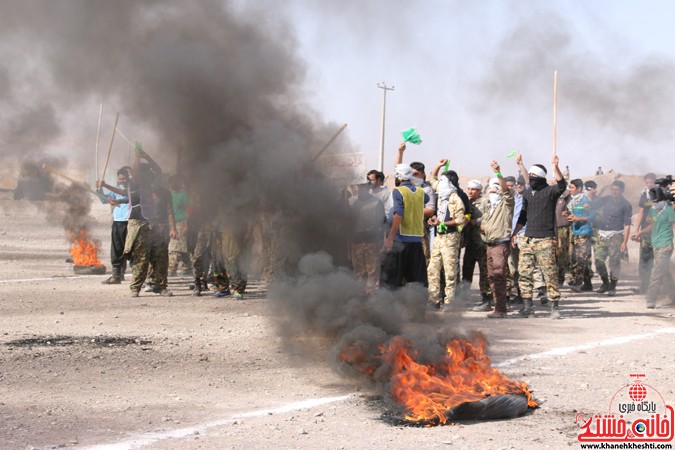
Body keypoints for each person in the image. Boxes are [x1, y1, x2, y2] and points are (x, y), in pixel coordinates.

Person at [511, 155, 567, 319]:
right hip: (527, 239)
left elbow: (561, 185)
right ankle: (527, 306)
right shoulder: (528, 194)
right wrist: (515, 233)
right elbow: (523, 216)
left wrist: (556, 167)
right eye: (531, 176)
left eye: (535, 176)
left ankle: (554, 306)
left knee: (549, 273)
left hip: (545, 239)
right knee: (524, 273)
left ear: (542, 178)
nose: (532, 179)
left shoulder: (550, 192)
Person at [381, 163, 429, 290]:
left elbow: (398, 215)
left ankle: (390, 308)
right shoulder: (420, 192)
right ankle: (416, 307)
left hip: (400, 241)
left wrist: (390, 238)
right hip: (416, 241)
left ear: (398, 176)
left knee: (392, 280)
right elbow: (427, 199)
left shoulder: (398, 191)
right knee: (417, 281)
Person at [426, 160, 466, 309]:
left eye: (443, 180)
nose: (440, 182)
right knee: (433, 269)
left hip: (450, 238)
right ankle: (434, 299)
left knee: (450, 271)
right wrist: (439, 165)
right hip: (438, 238)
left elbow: (460, 220)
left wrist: (442, 224)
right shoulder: (442, 195)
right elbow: (432, 178)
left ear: (450, 183)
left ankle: (449, 301)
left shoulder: (456, 199)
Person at [479, 162, 514, 318]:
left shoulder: (506, 205)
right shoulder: (489, 207)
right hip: (490, 245)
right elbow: (484, 224)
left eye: (495, 189)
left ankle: (501, 309)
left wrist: (499, 174)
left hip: (500, 245)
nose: (492, 192)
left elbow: (506, 192)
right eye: (491, 190)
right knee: (492, 277)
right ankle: (498, 306)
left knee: (499, 276)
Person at [395, 143, 437, 263]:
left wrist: (408, 211)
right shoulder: (403, 188)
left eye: (416, 174)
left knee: (421, 262)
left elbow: (430, 210)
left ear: (423, 175)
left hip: (419, 232)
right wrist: (400, 152)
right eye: (411, 174)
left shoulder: (427, 189)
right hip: (403, 230)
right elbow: (398, 169)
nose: (413, 177)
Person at [633, 191, 675, 308]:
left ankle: (650, 299)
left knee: (657, 272)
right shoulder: (653, 210)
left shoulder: (669, 211)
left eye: (655, 200)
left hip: (665, 245)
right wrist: (640, 233)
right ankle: (673, 295)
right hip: (656, 245)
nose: (653, 203)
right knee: (664, 271)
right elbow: (652, 224)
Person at [591, 180, 632, 296]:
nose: (614, 192)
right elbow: (593, 205)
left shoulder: (626, 205)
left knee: (614, 263)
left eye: (617, 190)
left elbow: (627, 224)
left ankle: (613, 287)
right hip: (602, 234)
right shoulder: (606, 199)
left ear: (621, 191)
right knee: (598, 261)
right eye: (612, 189)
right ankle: (605, 283)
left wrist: (624, 242)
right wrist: (594, 195)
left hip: (616, 236)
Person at [96, 168, 130, 284]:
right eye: (120, 179)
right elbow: (104, 200)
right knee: (116, 249)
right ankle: (117, 275)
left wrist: (118, 201)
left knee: (130, 249)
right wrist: (99, 189)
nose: (122, 181)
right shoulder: (115, 191)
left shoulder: (132, 189)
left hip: (129, 222)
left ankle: (133, 275)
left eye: (124, 178)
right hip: (117, 222)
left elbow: (127, 197)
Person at [350, 182, 385, 294]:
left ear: (369, 187)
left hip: (372, 241)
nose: (362, 189)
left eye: (364, 186)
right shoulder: (352, 202)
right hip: (357, 241)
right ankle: (359, 296)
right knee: (358, 270)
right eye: (359, 186)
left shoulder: (376, 202)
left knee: (372, 270)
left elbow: (382, 222)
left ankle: (372, 297)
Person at [463, 179, 492, 308]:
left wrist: (477, 222)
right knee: (466, 270)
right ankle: (463, 298)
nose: (470, 191)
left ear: (479, 190)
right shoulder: (467, 203)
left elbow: (489, 216)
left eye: (474, 189)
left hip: (481, 242)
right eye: (469, 189)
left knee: (484, 272)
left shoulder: (485, 202)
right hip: (469, 243)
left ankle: (486, 299)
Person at [630, 173, 657, 294]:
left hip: (657, 231)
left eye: (651, 182)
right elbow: (641, 212)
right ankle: (644, 287)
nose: (649, 184)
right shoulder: (644, 194)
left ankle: (664, 289)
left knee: (660, 261)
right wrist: (637, 231)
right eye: (647, 182)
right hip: (645, 232)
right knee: (645, 260)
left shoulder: (660, 194)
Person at [566, 179, 595, 292]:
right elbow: (575, 214)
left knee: (581, 258)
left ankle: (578, 282)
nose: (570, 189)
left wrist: (579, 219)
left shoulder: (585, 201)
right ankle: (588, 284)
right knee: (580, 258)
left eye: (572, 187)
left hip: (584, 231)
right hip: (576, 231)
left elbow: (592, 215)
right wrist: (568, 214)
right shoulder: (574, 201)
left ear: (578, 189)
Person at [167, 175, 191, 277]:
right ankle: (187, 266)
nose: (173, 185)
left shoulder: (184, 194)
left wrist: (186, 224)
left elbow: (188, 209)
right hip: (171, 223)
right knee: (182, 247)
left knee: (175, 247)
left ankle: (172, 269)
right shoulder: (169, 194)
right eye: (171, 183)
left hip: (181, 223)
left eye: (175, 182)